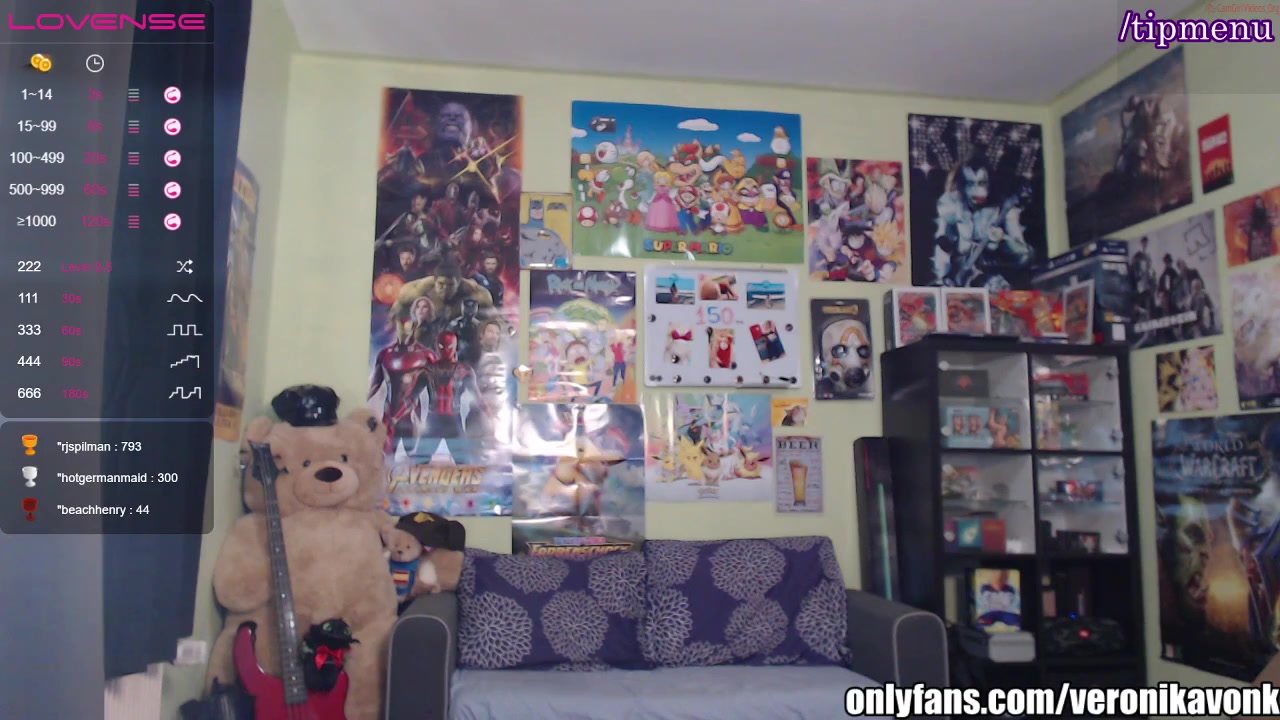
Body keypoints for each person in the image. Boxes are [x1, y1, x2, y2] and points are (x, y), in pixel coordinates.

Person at [368, 319, 437, 454]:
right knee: (386, 453)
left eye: (407, 331)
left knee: (411, 451)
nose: (404, 335)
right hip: (390, 411)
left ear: (413, 330)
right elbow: (376, 383)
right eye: (401, 331)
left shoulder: (426, 355)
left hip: (411, 413)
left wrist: (435, 411)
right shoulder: (385, 354)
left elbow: (434, 387)